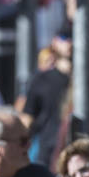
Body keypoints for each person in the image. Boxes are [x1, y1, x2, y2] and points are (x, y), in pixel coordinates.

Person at [18, 34, 72, 167]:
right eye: (65, 37)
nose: (70, 42)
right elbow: (27, 119)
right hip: (48, 152)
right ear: (54, 42)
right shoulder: (41, 79)